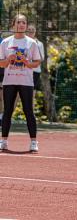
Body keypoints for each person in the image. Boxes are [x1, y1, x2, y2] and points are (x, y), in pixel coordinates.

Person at [0, 14, 41, 152]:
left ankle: (34, 142)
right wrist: (8, 60)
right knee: (8, 111)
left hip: (26, 82)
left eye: (24, 22)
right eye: (19, 22)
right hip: (10, 81)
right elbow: (1, 63)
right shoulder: (6, 42)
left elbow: (37, 62)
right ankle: (4, 141)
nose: (22, 25)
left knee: (28, 111)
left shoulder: (32, 42)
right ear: (13, 25)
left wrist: (26, 63)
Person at [26, 24, 45, 99]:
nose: (30, 31)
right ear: (26, 31)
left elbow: (42, 58)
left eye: (32, 30)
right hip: (24, 70)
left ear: (35, 32)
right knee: (18, 93)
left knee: (32, 93)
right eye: (29, 30)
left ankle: (31, 110)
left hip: (35, 71)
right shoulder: (23, 42)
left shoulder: (39, 44)